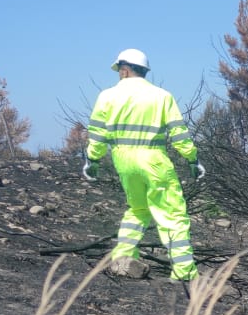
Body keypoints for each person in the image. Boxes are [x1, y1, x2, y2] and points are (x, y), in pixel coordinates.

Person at [83, 48, 202, 283]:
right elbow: (178, 133)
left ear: (125, 70)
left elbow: (97, 134)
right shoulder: (161, 96)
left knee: (137, 210)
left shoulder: (106, 96)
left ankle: (123, 258)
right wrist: (192, 159)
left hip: (123, 161)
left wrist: (93, 160)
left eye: (119, 70)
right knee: (172, 214)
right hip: (154, 160)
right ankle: (184, 271)